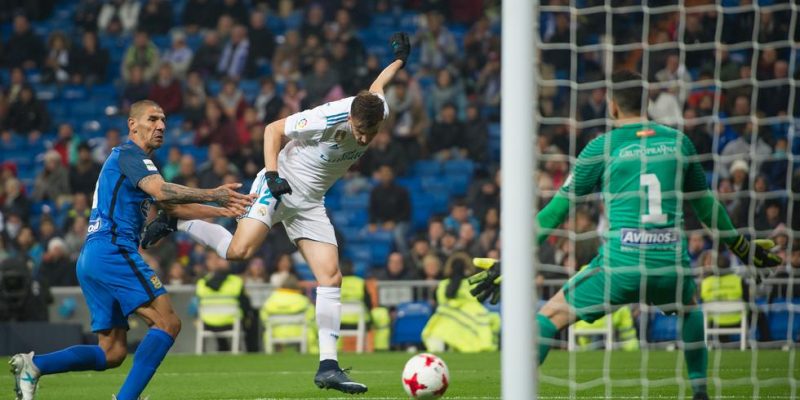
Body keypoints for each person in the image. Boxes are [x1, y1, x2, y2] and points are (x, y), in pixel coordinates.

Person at [467, 71, 783, 400]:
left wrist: (512, 260)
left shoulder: (601, 147)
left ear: (612, 106)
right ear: (646, 102)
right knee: (689, 307)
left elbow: (554, 214)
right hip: (669, 264)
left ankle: (519, 394)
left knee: (551, 316)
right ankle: (700, 391)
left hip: (621, 265)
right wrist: (741, 246)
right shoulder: (679, 142)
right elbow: (707, 208)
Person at [141, 32, 412, 394]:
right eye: (361, 132)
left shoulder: (376, 108)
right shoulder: (326, 117)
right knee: (239, 252)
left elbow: (378, 84)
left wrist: (399, 61)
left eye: (372, 133)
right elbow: (272, 129)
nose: (364, 140)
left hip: (311, 201)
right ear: (350, 117)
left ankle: (328, 367)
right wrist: (272, 175)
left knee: (331, 277)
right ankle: (179, 218)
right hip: (279, 184)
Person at [9, 100, 254, 400]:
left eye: (163, 120)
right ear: (132, 125)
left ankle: (34, 365)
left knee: (111, 352)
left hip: (93, 257)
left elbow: (171, 207)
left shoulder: (137, 164)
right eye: (152, 119)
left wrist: (223, 210)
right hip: (113, 250)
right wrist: (215, 194)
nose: (161, 125)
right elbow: (162, 191)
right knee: (168, 322)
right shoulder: (130, 154)